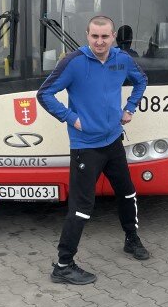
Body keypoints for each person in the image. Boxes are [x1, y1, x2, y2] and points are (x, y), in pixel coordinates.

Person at [38, 15, 150, 285]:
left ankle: (131, 239)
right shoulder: (74, 62)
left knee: (127, 193)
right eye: (94, 36)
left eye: (105, 36)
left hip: (113, 142)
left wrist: (130, 108)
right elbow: (44, 94)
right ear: (87, 36)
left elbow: (141, 80)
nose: (100, 42)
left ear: (113, 37)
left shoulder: (121, 60)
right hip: (85, 147)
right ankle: (63, 265)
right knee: (81, 208)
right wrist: (70, 117)